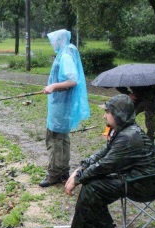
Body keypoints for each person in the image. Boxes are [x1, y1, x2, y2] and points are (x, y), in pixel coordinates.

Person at [54, 94, 155, 228]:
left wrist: (78, 178)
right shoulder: (123, 131)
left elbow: (104, 165)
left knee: (93, 187)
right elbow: (102, 154)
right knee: (94, 182)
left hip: (145, 184)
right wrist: (81, 168)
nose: (104, 115)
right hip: (137, 178)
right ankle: (103, 227)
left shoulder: (129, 136)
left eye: (107, 112)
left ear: (117, 114)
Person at [39, 29, 90, 188]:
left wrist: (53, 86)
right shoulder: (67, 51)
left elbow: (72, 80)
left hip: (61, 106)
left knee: (54, 138)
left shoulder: (66, 55)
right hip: (61, 104)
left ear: (60, 39)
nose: (52, 43)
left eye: (54, 40)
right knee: (62, 138)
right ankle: (63, 172)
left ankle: (54, 174)